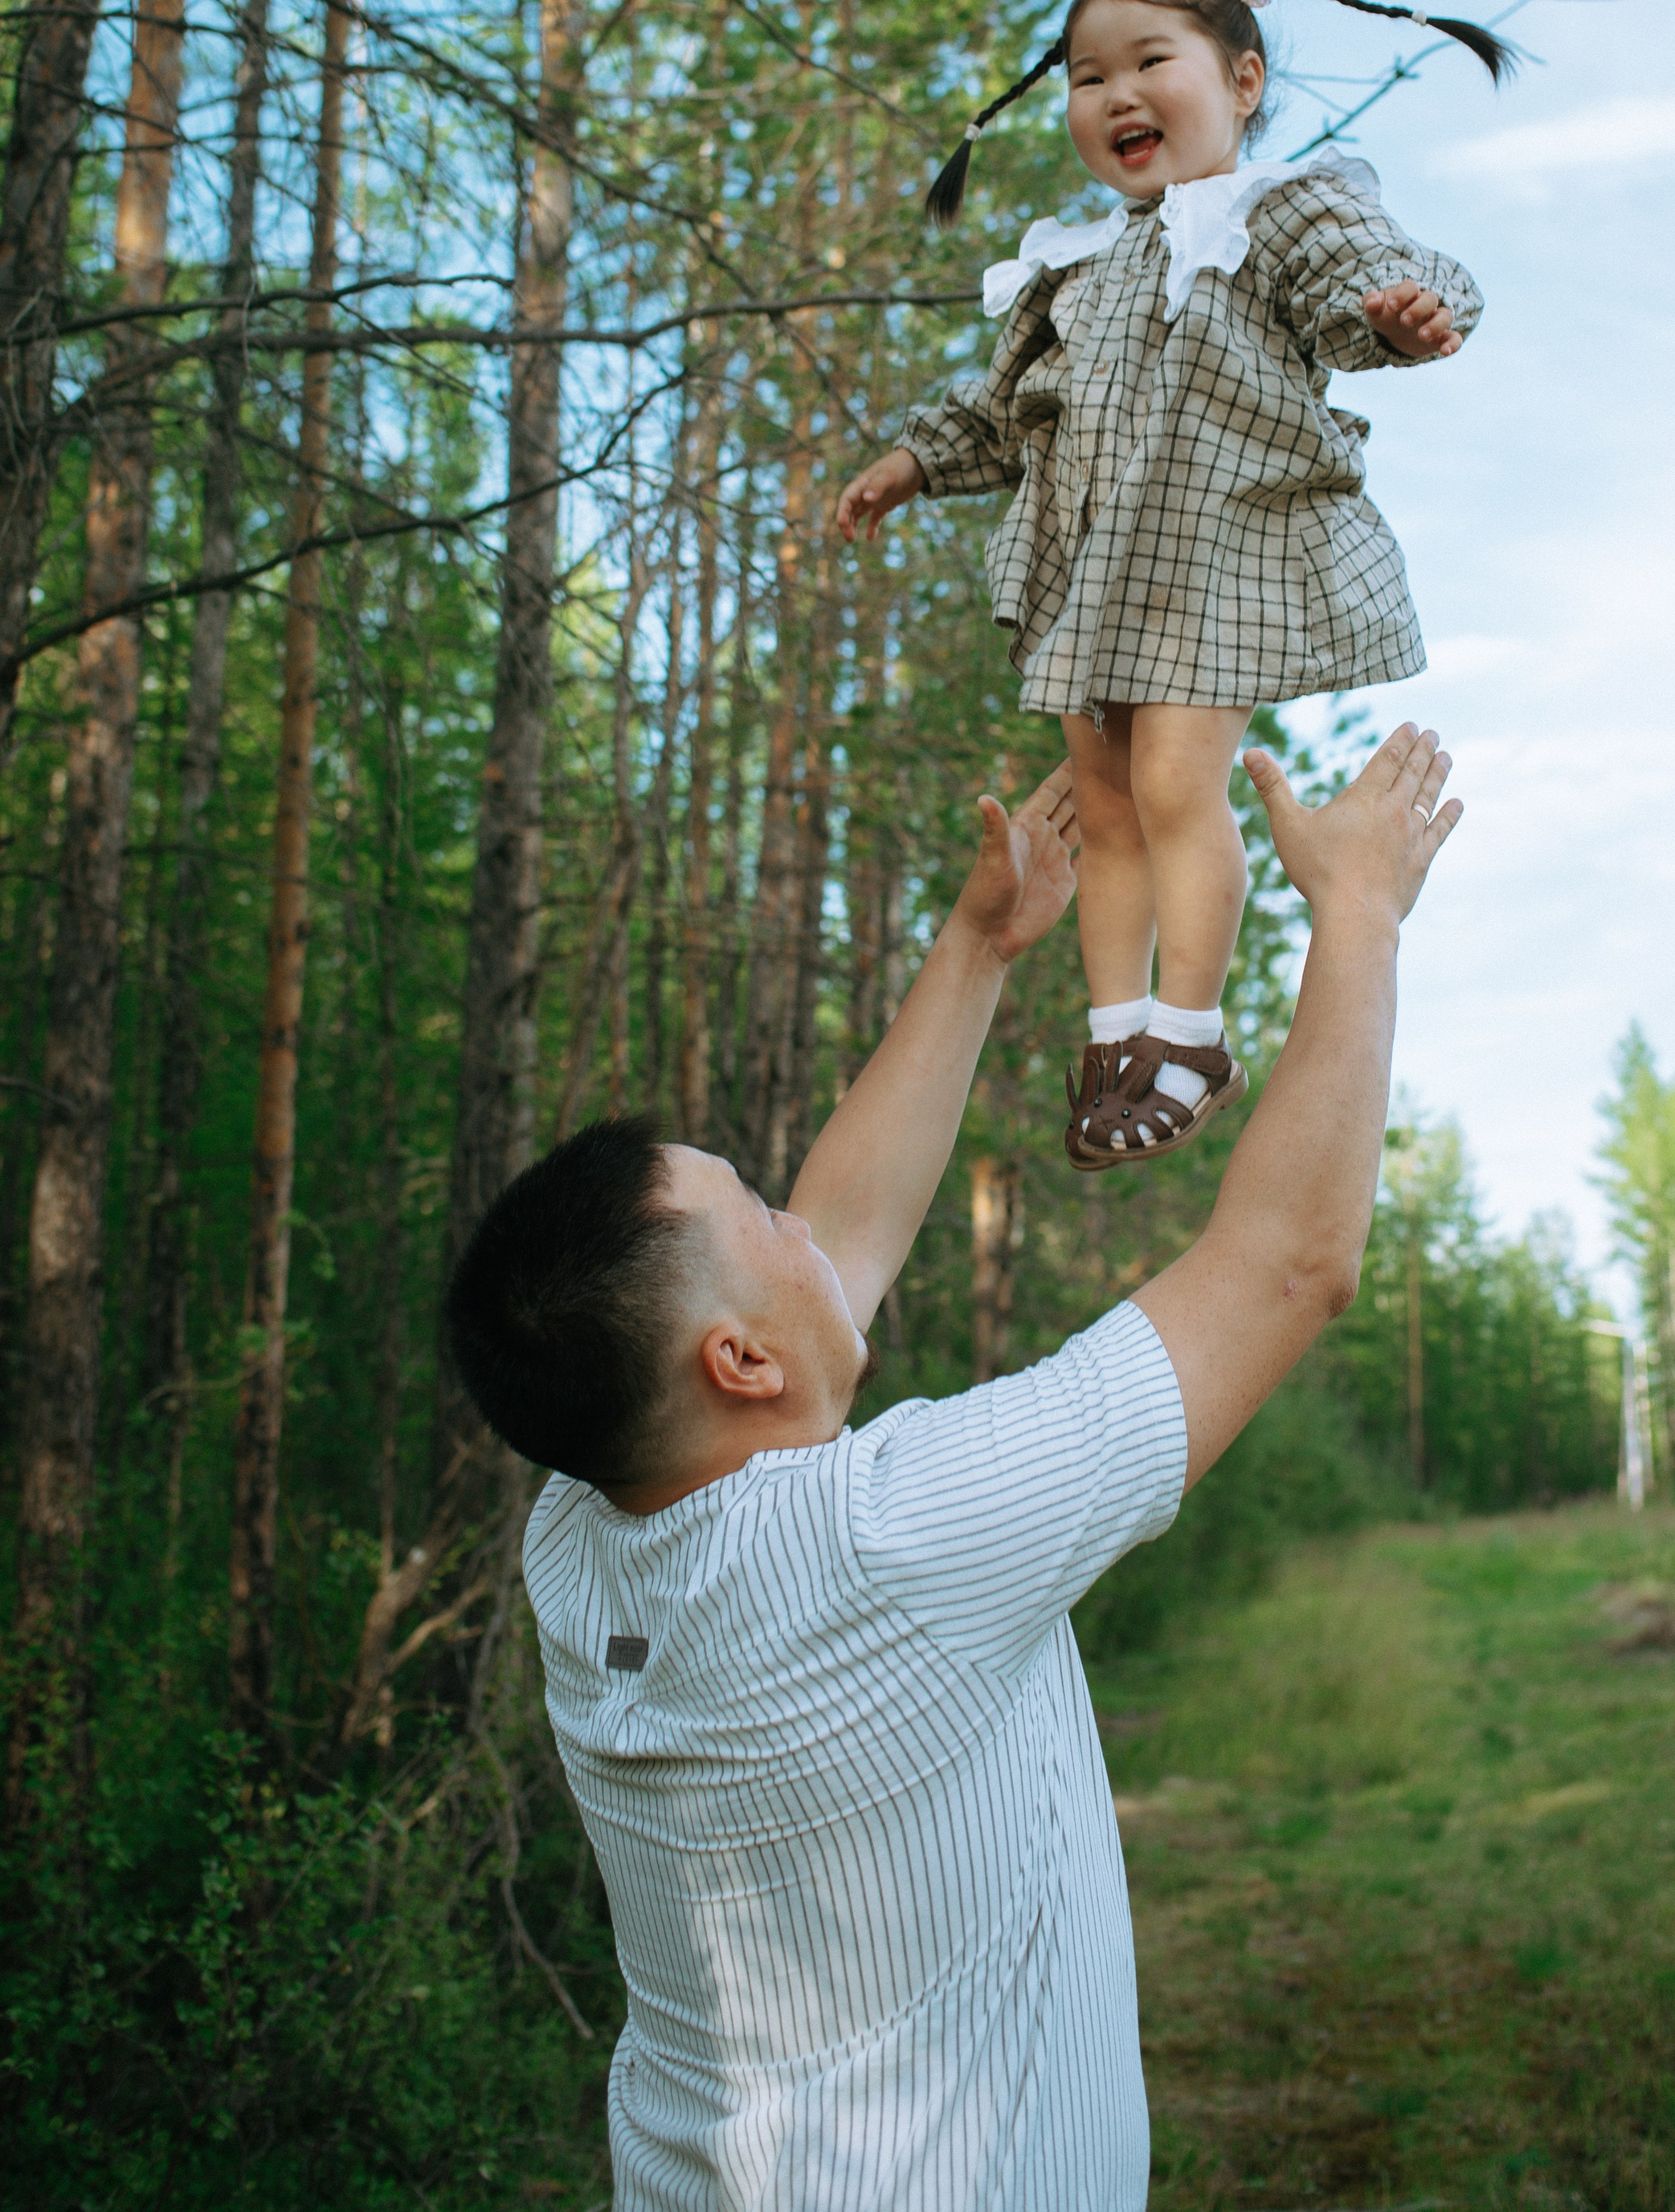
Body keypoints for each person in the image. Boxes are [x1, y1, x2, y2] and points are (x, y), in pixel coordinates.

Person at [443, 721, 1461, 2212]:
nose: (801, 1225)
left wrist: (983, 944)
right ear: (737, 1365)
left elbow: (832, 1250)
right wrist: (1360, 914)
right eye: (758, 1216)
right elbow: (1289, 1264)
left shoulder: (581, 1524)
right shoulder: (898, 1537)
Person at [835, 0, 1494, 1175]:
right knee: (1110, 798)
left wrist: (1398, 319)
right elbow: (1003, 412)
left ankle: (1190, 1036)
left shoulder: (1281, 210)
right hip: (1095, 572)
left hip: (1216, 553)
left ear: (1243, 81)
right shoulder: (1073, 267)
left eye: (1151, 63)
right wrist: (915, 463)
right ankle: (1116, 1036)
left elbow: (1364, 285)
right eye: (1089, 77)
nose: (1116, 94)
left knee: (1180, 784)